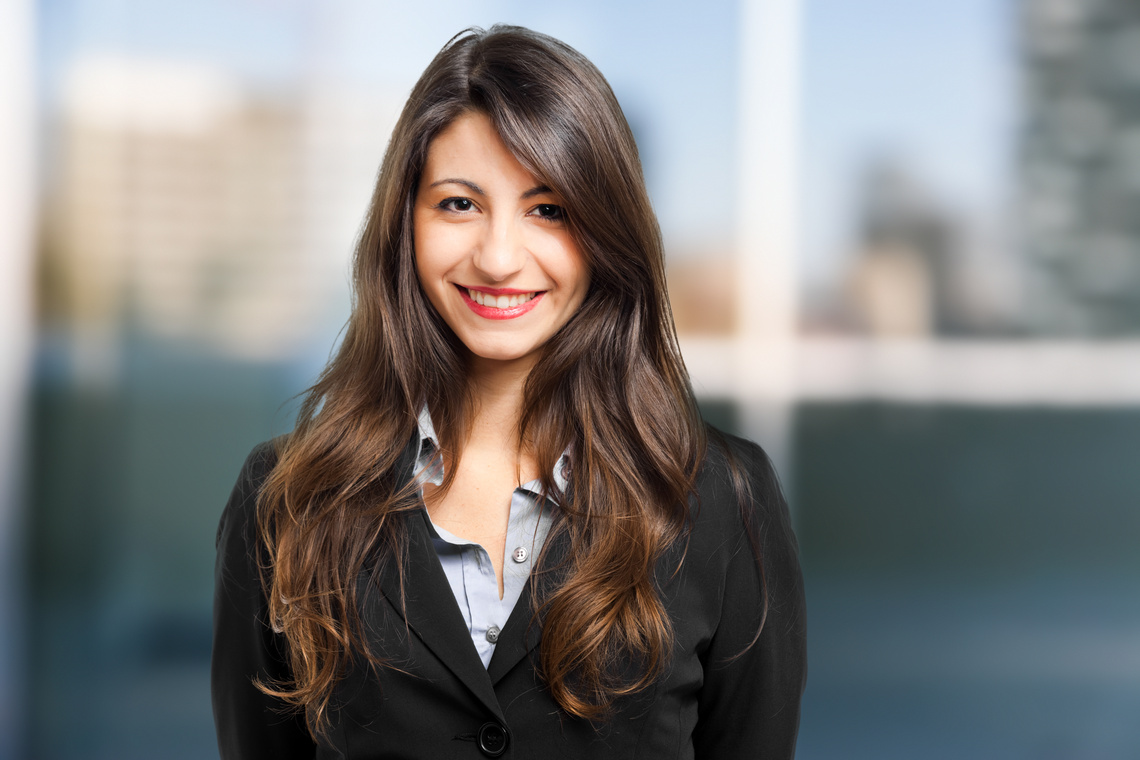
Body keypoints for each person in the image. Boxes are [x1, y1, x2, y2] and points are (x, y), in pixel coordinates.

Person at [212, 24, 806, 759]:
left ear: (605, 233)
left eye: (548, 210)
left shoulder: (723, 499)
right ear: (406, 225)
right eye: (458, 204)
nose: (497, 258)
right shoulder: (285, 501)